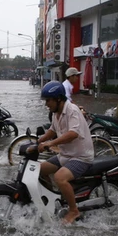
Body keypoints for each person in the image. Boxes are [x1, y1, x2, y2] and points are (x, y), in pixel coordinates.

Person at [37, 81, 94, 224]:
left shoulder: (72, 110)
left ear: (58, 98)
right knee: (39, 170)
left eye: (48, 101)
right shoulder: (56, 113)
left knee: (60, 177)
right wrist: (39, 140)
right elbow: (52, 130)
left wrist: (51, 143)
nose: (46, 104)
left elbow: (73, 133)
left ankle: (74, 210)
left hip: (80, 156)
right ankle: (52, 200)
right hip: (66, 155)